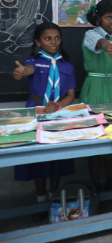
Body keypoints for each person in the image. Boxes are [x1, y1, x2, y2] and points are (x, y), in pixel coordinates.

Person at [12, 22, 75, 205]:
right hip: (36, 112)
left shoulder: (67, 65)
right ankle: (41, 199)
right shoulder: (33, 61)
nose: (53, 42)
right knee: (38, 156)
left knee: (56, 157)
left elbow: (70, 95)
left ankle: (55, 198)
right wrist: (21, 71)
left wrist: (57, 105)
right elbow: (27, 70)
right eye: (47, 39)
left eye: (57, 38)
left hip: (58, 112)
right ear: (38, 42)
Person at [80, 0, 112, 190]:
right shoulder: (91, 34)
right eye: (108, 17)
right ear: (98, 18)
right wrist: (107, 46)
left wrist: (110, 43)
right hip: (97, 88)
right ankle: (95, 184)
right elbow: (100, 44)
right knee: (96, 135)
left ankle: (111, 182)